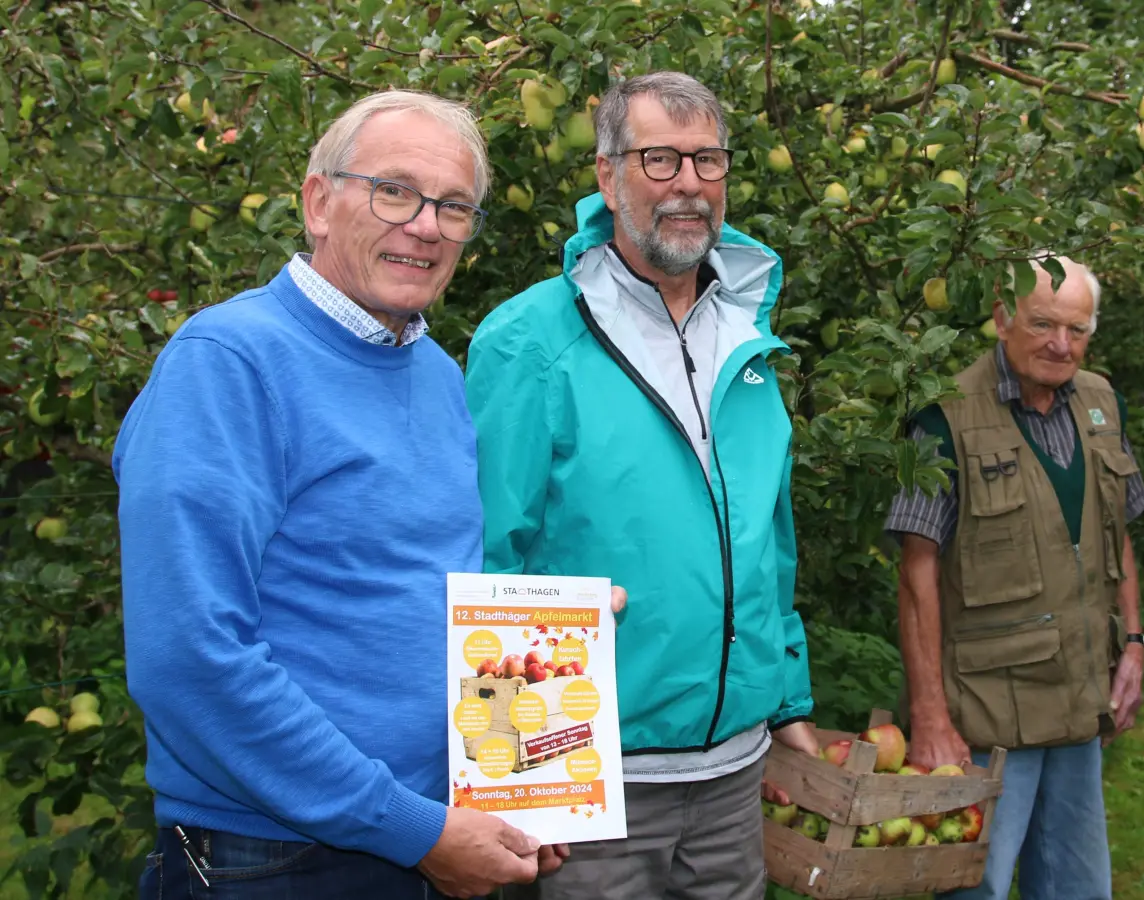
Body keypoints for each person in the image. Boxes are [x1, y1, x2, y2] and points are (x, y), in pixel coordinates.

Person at [115, 89, 619, 900]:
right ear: (319, 201)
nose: (425, 225)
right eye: (394, 191)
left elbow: (416, 597)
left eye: (454, 207)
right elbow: (191, 657)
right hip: (276, 860)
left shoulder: (434, 372)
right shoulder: (229, 362)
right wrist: (414, 830)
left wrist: (522, 778)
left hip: (419, 833)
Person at [464, 71, 817, 900]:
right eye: (659, 159)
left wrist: (788, 696)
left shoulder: (748, 336)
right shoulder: (531, 340)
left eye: (708, 160)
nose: (689, 184)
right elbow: (487, 557)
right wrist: (510, 772)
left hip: (735, 769)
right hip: (591, 773)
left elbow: (770, 540)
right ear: (606, 174)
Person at [883, 258, 1144, 900]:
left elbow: (1119, 535)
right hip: (986, 714)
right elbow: (916, 572)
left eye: (1077, 330)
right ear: (1002, 317)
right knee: (976, 886)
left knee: (1078, 885)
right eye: (1043, 324)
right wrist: (929, 718)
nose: (1062, 345)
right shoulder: (943, 417)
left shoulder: (1100, 400)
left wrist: (1135, 643)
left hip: (1080, 700)